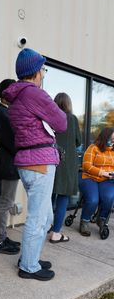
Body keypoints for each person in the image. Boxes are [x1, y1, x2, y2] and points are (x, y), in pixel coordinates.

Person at [3, 48, 67, 281]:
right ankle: (28, 266)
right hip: (39, 162)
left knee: (46, 217)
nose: (44, 73)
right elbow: (61, 123)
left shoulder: (19, 96)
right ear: (36, 71)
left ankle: (30, 256)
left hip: (28, 161)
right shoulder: (35, 94)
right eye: (43, 69)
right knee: (38, 219)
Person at [0, 79, 21, 255]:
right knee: (5, 203)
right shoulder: (3, 114)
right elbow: (13, 142)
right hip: (7, 165)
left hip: (7, 164)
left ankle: (1, 236)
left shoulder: (3, 112)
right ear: (5, 94)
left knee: (5, 202)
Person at [49, 93, 82, 243]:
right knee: (63, 197)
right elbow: (78, 141)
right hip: (67, 163)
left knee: (49, 196)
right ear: (68, 104)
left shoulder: (49, 117)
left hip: (50, 159)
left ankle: (47, 225)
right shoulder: (72, 118)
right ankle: (56, 233)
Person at [79, 127, 114, 236]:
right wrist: (102, 172)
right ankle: (84, 222)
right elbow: (86, 166)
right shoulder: (93, 148)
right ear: (105, 137)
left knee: (109, 198)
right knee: (93, 199)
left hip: (107, 180)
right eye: (112, 139)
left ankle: (102, 219)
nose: (113, 142)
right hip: (89, 177)